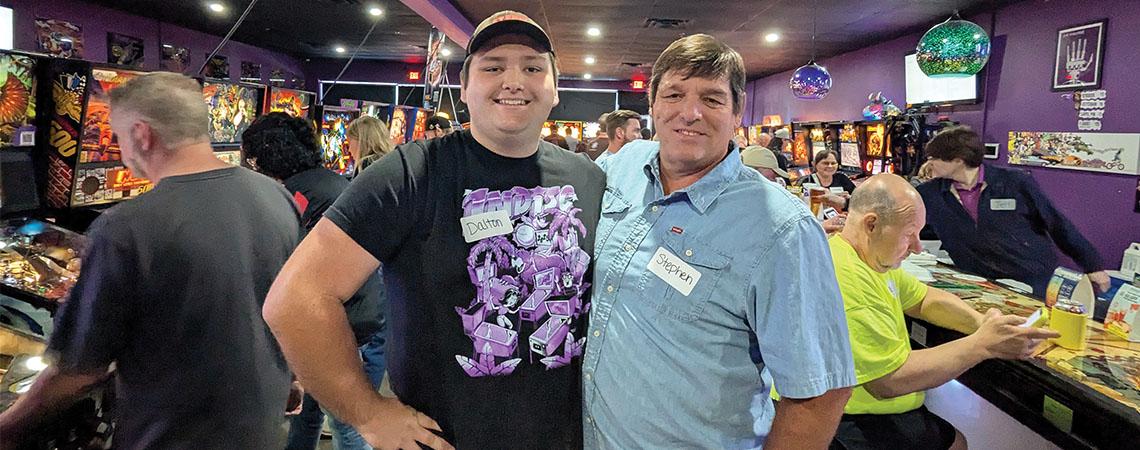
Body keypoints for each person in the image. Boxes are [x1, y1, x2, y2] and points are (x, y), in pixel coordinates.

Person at [262, 10, 605, 450]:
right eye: (493, 67)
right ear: (464, 87)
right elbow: (294, 299)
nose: (514, 81)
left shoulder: (588, 178)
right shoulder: (411, 173)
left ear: (555, 89)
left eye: (533, 67)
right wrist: (367, 412)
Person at [0, 73, 300, 448]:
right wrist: (291, 380)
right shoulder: (275, 196)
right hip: (260, 431)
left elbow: (79, 370)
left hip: (174, 439)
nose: (119, 148)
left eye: (118, 136)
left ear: (142, 134)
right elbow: (289, 308)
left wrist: (7, 428)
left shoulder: (127, 225)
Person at [585, 33, 855, 449]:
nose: (690, 113)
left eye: (711, 99)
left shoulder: (783, 229)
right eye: (674, 95)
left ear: (736, 112)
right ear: (653, 105)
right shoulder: (622, 167)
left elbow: (820, 393)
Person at [830, 174, 1060, 450]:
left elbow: (924, 299)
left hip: (866, 407)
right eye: (909, 234)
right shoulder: (850, 278)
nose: (917, 247)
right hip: (851, 419)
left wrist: (980, 322)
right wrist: (983, 344)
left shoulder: (866, 257)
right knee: (956, 444)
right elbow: (890, 381)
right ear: (871, 224)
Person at [242, 112, 388, 450]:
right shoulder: (329, 182)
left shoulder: (296, 195)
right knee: (308, 414)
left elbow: (285, 266)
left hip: (336, 322)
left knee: (347, 424)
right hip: (359, 310)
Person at [917, 126, 1109, 297]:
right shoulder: (930, 194)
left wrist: (1092, 265)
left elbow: (1056, 222)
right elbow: (915, 226)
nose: (928, 162)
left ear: (958, 160)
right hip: (978, 283)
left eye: (934, 158)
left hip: (1031, 279)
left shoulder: (1015, 182)